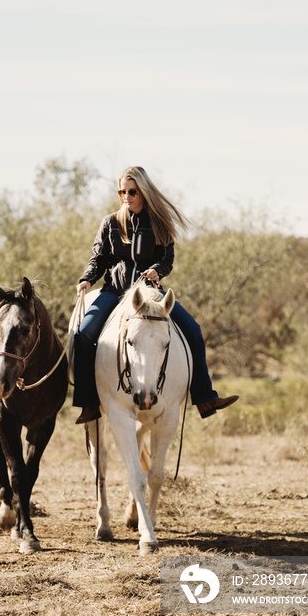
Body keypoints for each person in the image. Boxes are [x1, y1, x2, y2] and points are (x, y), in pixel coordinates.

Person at [73, 166, 238, 424]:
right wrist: (86, 279)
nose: (126, 196)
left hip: (150, 296)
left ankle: (205, 397)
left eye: (132, 191)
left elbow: (167, 259)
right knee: (83, 335)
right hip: (114, 292)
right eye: (122, 191)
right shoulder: (111, 223)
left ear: (144, 191)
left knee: (193, 330)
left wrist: (157, 270)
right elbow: (99, 258)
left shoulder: (160, 224)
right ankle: (89, 403)